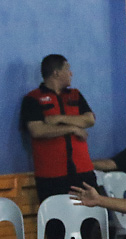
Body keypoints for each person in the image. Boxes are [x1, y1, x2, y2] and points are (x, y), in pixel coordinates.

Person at [20, 54, 98, 201]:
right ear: (56, 73)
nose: (71, 73)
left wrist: (59, 118)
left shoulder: (75, 95)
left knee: (92, 213)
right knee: (56, 215)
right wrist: (72, 128)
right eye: (67, 69)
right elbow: (37, 130)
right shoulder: (32, 99)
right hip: (51, 175)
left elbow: (89, 119)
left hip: (83, 170)